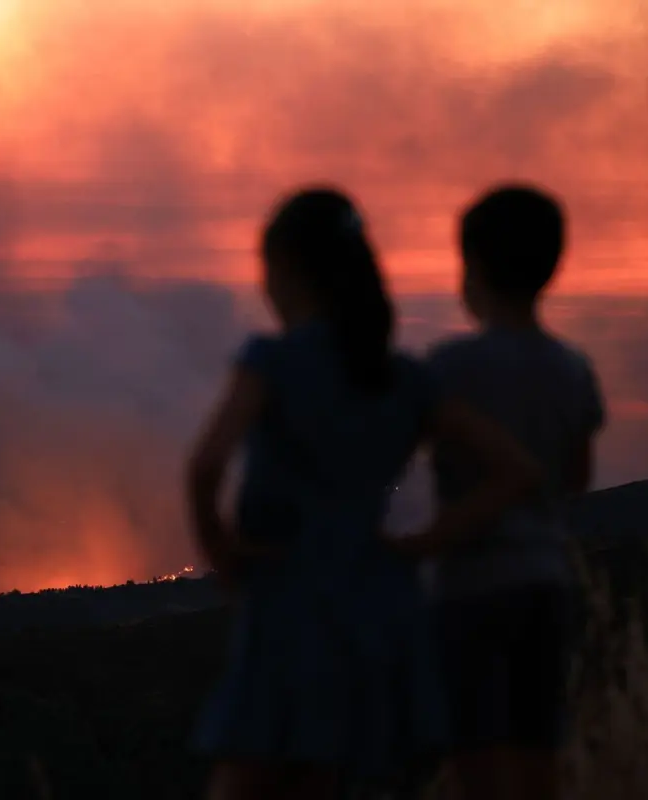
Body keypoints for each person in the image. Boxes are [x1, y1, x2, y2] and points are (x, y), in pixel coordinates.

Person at [185, 186, 543, 800]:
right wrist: (424, 543)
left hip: (290, 606)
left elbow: (205, 466)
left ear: (290, 272)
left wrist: (223, 557)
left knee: (247, 780)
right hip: (378, 611)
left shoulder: (272, 362)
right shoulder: (401, 379)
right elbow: (517, 472)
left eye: (265, 269)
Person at [425, 184, 607, 800]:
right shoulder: (573, 368)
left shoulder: (450, 368)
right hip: (546, 585)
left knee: (475, 754)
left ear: (471, 268)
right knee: (537, 756)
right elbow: (576, 480)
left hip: (470, 589)